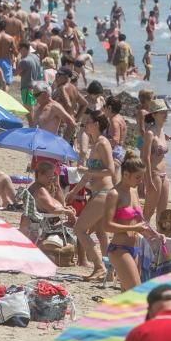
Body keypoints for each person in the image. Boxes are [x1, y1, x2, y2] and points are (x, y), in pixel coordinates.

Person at [68, 110, 115, 281]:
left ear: (96, 124)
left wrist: (87, 170)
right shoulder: (95, 144)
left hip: (104, 193)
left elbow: (111, 170)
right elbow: (89, 175)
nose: (84, 125)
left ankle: (98, 265)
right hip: (99, 192)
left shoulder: (102, 143)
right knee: (102, 234)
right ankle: (109, 272)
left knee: (79, 229)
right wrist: (73, 192)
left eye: (87, 122)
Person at [104, 152, 160, 291]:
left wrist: (156, 234)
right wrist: (135, 228)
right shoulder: (114, 194)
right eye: (138, 177)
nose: (140, 181)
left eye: (142, 177)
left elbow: (141, 221)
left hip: (134, 248)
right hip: (119, 249)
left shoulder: (133, 191)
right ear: (126, 174)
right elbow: (107, 225)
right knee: (136, 292)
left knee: (126, 296)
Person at [140, 98, 171, 228]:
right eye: (161, 112)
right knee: (149, 210)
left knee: (163, 213)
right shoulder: (149, 133)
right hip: (154, 174)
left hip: (164, 174)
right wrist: (147, 178)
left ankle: (159, 238)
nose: (165, 114)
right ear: (154, 114)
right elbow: (144, 157)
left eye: (165, 111)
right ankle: (139, 235)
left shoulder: (162, 130)